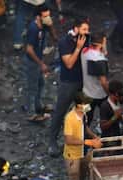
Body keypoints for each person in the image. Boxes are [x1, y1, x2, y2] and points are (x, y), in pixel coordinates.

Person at [47, 18, 89, 155]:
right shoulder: (64, 42)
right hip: (68, 82)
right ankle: (52, 141)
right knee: (60, 111)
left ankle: (81, 139)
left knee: (83, 111)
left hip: (83, 81)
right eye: (84, 29)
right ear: (76, 28)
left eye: (87, 30)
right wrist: (78, 48)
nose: (86, 32)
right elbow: (69, 64)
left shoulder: (86, 39)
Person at [22, 5, 53, 123]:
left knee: (41, 84)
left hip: (39, 59)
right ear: (38, 17)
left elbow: (54, 37)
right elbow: (29, 49)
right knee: (32, 88)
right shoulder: (33, 29)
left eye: (48, 15)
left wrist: (51, 25)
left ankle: (38, 106)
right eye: (45, 16)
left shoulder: (44, 26)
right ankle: (31, 113)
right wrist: (41, 64)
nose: (47, 18)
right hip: (32, 62)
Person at [63, 92, 102, 180]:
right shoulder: (70, 118)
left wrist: (94, 136)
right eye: (86, 104)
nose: (88, 106)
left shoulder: (83, 114)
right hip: (73, 154)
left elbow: (85, 127)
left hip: (84, 151)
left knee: (83, 172)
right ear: (79, 105)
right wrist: (88, 142)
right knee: (74, 176)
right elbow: (68, 140)